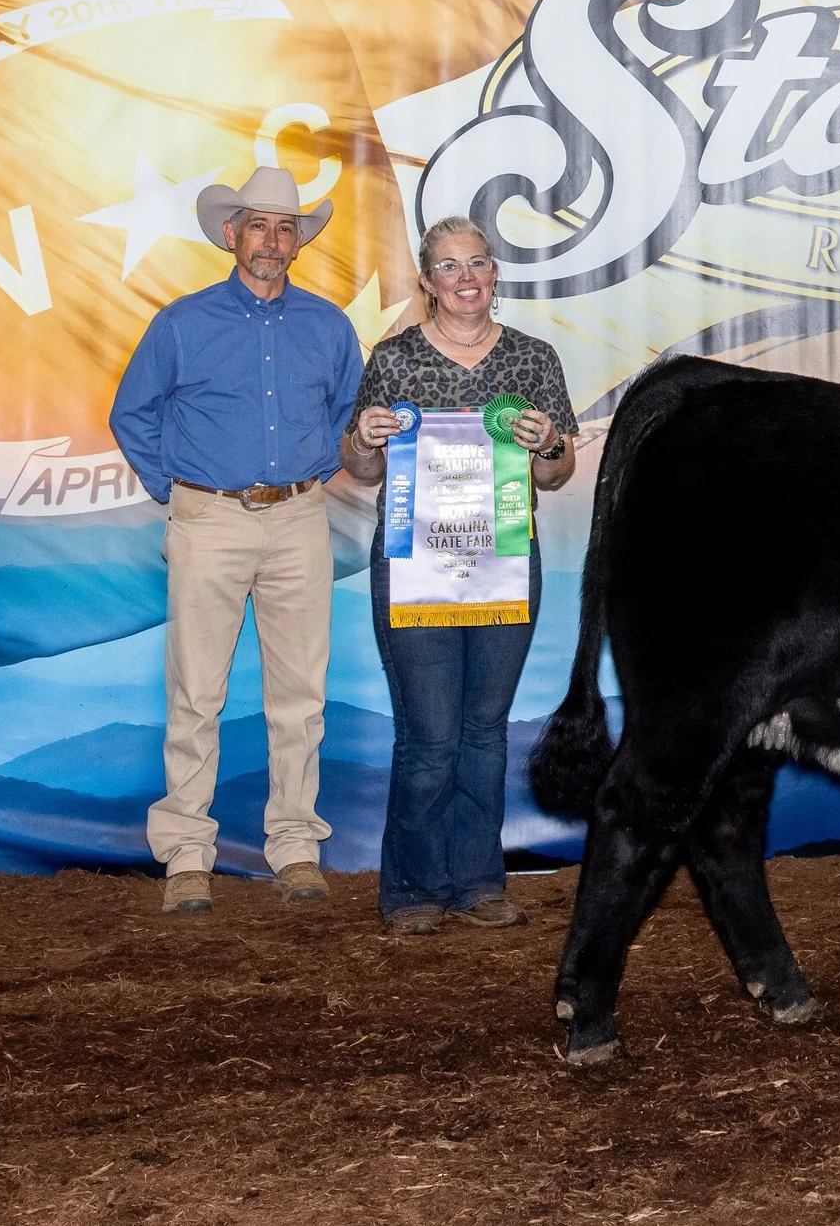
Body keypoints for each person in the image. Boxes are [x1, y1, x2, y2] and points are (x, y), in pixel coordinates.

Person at [111, 165, 363, 915]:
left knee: (300, 695)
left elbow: (353, 416)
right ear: (231, 233)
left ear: (297, 241)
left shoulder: (329, 326)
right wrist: (179, 490)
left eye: (286, 228)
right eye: (259, 224)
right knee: (197, 692)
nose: (272, 240)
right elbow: (134, 413)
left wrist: (330, 462)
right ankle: (188, 852)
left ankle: (295, 847)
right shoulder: (182, 323)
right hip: (209, 518)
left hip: (298, 516)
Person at [341, 215, 578, 935]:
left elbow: (558, 472)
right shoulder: (393, 359)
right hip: (416, 567)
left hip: (505, 562)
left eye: (478, 263)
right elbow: (360, 466)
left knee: (484, 729)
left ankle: (478, 880)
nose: (466, 278)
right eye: (449, 266)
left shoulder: (535, 360)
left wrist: (547, 447)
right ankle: (412, 886)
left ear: (495, 275)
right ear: (426, 282)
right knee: (429, 734)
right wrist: (364, 437)